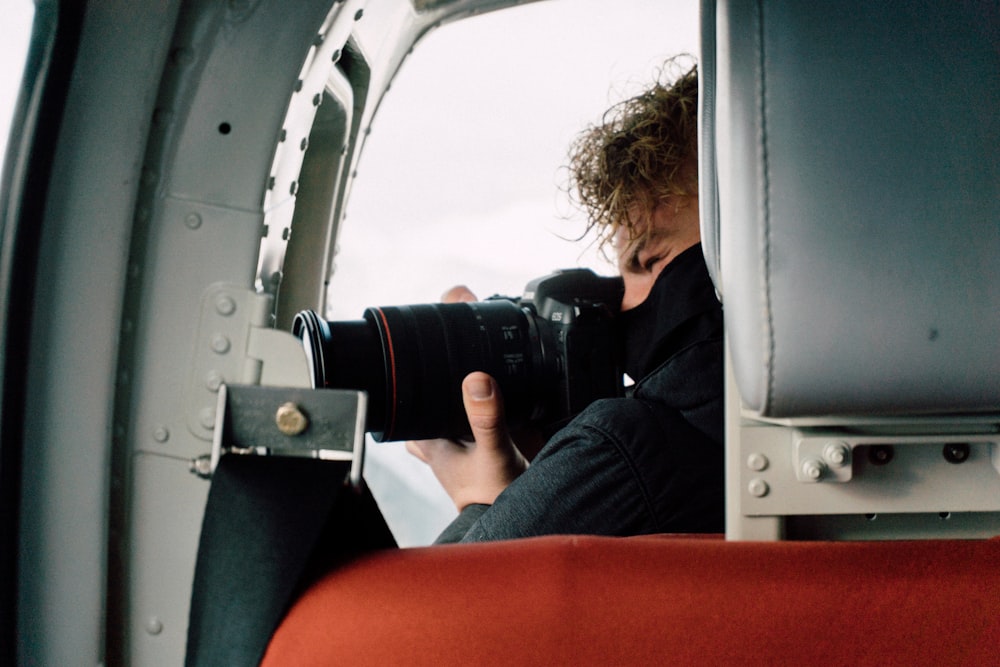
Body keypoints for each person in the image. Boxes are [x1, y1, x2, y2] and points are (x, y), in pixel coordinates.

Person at [406, 62, 724, 543]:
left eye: (648, 260)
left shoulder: (625, 449)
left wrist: (483, 499)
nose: (622, 307)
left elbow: (435, 614)